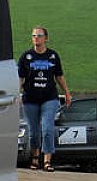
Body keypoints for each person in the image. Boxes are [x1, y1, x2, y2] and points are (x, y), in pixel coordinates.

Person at [18, 27, 71, 172]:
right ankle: (35, 157)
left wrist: (67, 93)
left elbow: (59, 76)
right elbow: (20, 78)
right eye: (34, 36)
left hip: (49, 97)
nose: (36, 38)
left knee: (47, 128)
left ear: (46, 38)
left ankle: (47, 160)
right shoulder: (26, 56)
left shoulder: (52, 56)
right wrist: (17, 94)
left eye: (39, 36)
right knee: (34, 132)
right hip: (30, 98)